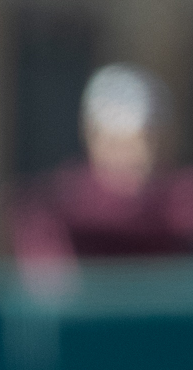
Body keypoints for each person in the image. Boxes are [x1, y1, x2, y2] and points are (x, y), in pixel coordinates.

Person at [12, 63, 193, 281]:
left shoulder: (179, 203)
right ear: (93, 139)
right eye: (118, 144)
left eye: (146, 142)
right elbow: (53, 291)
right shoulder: (53, 210)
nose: (135, 158)